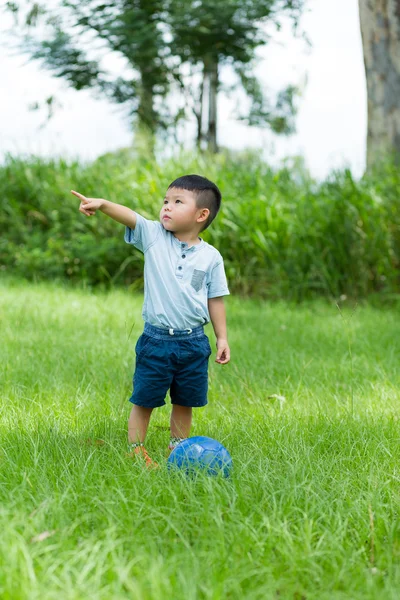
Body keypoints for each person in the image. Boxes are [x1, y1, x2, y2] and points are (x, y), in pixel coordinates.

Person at [71, 174, 230, 468]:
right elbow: (131, 218)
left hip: (194, 342)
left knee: (186, 401)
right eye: (165, 201)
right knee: (145, 398)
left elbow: (215, 299)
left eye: (177, 202)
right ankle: (136, 450)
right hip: (156, 341)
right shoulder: (155, 237)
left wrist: (221, 337)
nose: (166, 207)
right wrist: (103, 204)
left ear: (201, 215)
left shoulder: (211, 258)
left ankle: (177, 448)